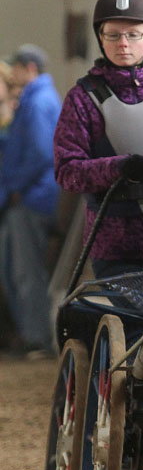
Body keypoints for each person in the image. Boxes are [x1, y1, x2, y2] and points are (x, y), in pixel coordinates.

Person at [54, 0, 143, 279]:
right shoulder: (82, 98)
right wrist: (117, 168)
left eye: (133, 34)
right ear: (100, 37)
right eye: (112, 35)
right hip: (116, 248)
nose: (123, 43)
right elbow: (67, 171)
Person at [0, 45, 61, 356]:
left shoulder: (38, 102)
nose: (13, 74)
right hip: (29, 196)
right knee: (16, 269)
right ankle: (30, 336)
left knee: (27, 271)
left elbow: (40, 153)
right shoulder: (35, 99)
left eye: (16, 67)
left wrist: (14, 188)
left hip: (32, 198)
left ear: (30, 68)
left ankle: (38, 339)